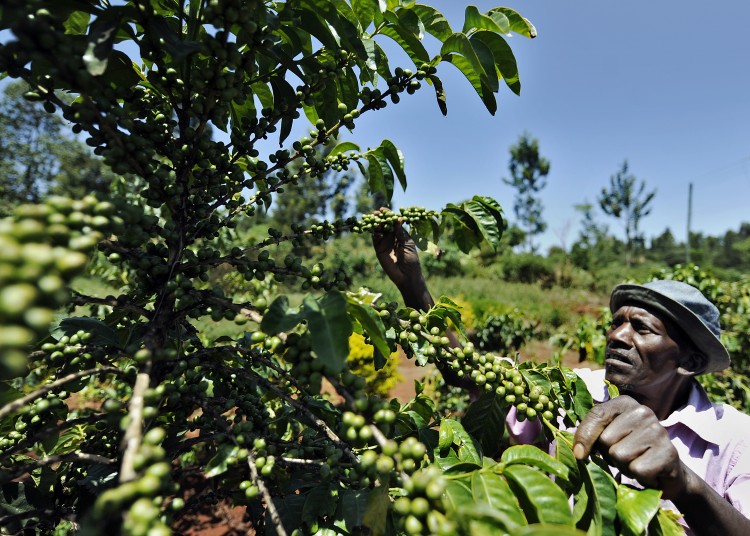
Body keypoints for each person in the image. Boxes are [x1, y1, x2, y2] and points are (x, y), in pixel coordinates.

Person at [373, 221, 750, 536]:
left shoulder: (734, 439)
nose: (617, 336)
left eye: (642, 327)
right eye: (616, 322)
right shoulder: (573, 392)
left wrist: (685, 485)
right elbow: (471, 373)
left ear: (691, 359)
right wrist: (414, 286)